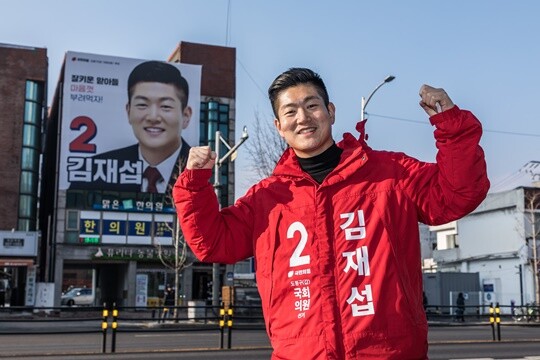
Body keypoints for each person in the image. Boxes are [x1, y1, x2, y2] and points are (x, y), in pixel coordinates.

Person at [173, 68, 489, 359]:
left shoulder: (390, 175)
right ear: (279, 127)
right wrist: (194, 186)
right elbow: (212, 242)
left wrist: (453, 130)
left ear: (331, 112)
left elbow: (458, 194)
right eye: (290, 111)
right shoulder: (267, 199)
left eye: (312, 105)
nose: (303, 118)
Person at [69, 60, 193, 194]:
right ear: (128, 111)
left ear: (186, 116)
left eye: (166, 106)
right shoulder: (93, 171)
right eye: (142, 105)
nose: (153, 117)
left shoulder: (205, 171)